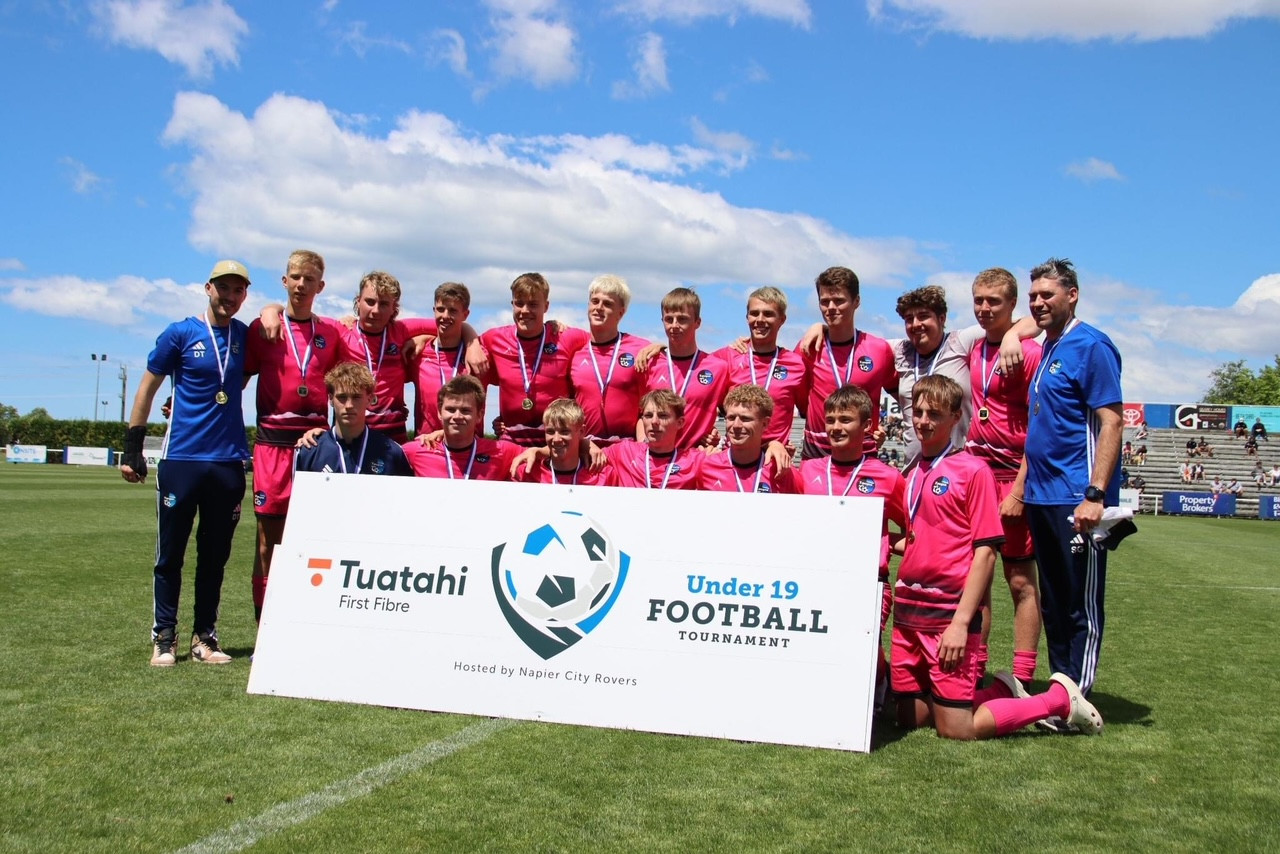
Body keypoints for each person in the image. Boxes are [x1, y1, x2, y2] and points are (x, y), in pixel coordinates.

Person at [893, 375, 1101, 739]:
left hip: (947, 615)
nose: (923, 421)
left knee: (957, 730)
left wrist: (961, 622)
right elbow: (918, 539)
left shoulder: (973, 470)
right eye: (919, 412)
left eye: (935, 414)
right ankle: (1004, 689)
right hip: (909, 612)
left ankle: (1058, 701)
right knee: (912, 718)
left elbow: (986, 553)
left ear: (955, 417)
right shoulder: (911, 472)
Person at [120, 259, 252, 666]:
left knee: (215, 559)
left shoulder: (245, 336)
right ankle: (164, 637)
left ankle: (205, 639)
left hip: (228, 463)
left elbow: (235, 377)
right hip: (181, 460)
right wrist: (132, 447)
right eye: (223, 288)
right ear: (208, 288)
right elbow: (147, 386)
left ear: (244, 295)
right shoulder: (179, 333)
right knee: (170, 556)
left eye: (238, 290)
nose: (229, 296)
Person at [1013, 257, 1122, 708]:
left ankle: (1079, 695)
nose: (1038, 303)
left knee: (1079, 604)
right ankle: (1061, 688)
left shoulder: (1091, 345)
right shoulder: (1050, 347)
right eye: (1033, 295)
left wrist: (1094, 495)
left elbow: (1112, 422)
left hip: (1076, 499)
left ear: (1072, 295)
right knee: (1055, 601)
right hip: (1042, 495)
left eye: (1047, 295)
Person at [244, 250, 346, 622]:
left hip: (315, 447)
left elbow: (347, 384)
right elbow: (235, 379)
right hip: (272, 446)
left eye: (309, 279)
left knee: (315, 539)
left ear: (321, 286)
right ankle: (264, 626)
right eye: (295, 277)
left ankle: (307, 621)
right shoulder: (262, 329)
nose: (302, 284)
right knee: (268, 541)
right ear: (284, 281)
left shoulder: (333, 332)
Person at [797, 384, 907, 705]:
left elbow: (910, 530)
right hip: (816, 578)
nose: (835, 427)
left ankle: (880, 679)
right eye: (830, 420)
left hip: (869, 582)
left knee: (862, 646)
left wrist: (881, 540)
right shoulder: (806, 472)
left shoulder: (888, 477)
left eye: (845, 420)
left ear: (867, 426)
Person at [965, 268, 1044, 689]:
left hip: (1014, 476)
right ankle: (975, 673)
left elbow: (1040, 426)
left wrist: (1018, 488)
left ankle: (1024, 678)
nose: (984, 308)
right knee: (977, 579)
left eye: (994, 301)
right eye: (979, 300)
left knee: (1019, 580)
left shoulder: (1029, 353)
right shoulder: (974, 346)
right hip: (977, 476)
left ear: (1012, 305)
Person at [478, 273, 590, 447]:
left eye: (533, 304)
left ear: (546, 306)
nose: (525, 311)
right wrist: (470, 341)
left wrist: (648, 349)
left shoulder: (566, 337)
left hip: (556, 440)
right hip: (512, 439)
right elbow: (450, 333)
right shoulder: (493, 339)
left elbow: (605, 342)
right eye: (519, 303)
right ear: (512, 304)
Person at [796, 266, 895, 459]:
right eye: (825, 301)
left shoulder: (879, 349)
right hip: (817, 453)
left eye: (839, 301)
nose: (831, 307)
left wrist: (879, 425)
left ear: (856, 301)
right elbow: (797, 399)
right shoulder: (809, 346)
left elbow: (902, 394)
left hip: (863, 452)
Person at [713, 287, 810, 446]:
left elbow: (808, 411)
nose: (760, 319)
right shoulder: (726, 358)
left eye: (768, 314)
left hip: (774, 459)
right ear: (747, 317)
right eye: (754, 313)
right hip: (734, 458)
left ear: (782, 319)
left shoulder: (796, 364)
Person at [638, 287, 730, 449]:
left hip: (696, 459)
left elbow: (734, 413)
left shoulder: (718, 368)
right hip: (657, 460)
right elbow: (638, 416)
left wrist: (716, 436)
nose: (674, 325)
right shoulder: (650, 364)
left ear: (697, 322)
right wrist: (643, 445)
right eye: (669, 319)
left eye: (682, 319)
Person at [568, 275, 650, 445]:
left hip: (626, 448)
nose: (599, 308)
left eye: (607, 304)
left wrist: (661, 347)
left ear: (621, 312)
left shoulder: (640, 349)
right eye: (595, 301)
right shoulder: (575, 351)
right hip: (585, 449)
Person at [294, 363, 413, 477]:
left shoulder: (392, 452)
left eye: (356, 397)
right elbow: (299, 497)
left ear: (369, 399)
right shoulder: (309, 451)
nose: (349, 405)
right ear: (330, 399)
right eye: (342, 397)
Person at [403, 376, 523, 480]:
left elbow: (539, 458)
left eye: (465, 410)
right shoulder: (416, 451)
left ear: (480, 415)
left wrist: (540, 451)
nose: (457, 416)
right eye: (450, 409)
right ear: (439, 412)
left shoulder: (500, 451)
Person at [699, 384, 797, 493]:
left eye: (745, 419)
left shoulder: (782, 471)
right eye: (731, 418)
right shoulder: (706, 466)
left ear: (765, 423)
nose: (736, 425)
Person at [602, 390, 704, 489]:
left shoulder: (695, 461)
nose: (654, 421)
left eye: (663, 415)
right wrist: (587, 444)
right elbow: (590, 454)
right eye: (648, 415)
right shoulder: (624, 452)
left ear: (680, 422)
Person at [415, 282, 472, 436]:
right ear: (434, 310)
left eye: (453, 310)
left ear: (465, 315)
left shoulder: (477, 355)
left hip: (468, 450)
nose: (445, 316)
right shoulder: (418, 353)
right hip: (426, 445)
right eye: (440, 309)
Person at [517, 398, 616, 486]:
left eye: (564, 432)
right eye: (550, 432)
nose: (556, 439)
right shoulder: (527, 474)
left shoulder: (604, 477)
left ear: (581, 432)